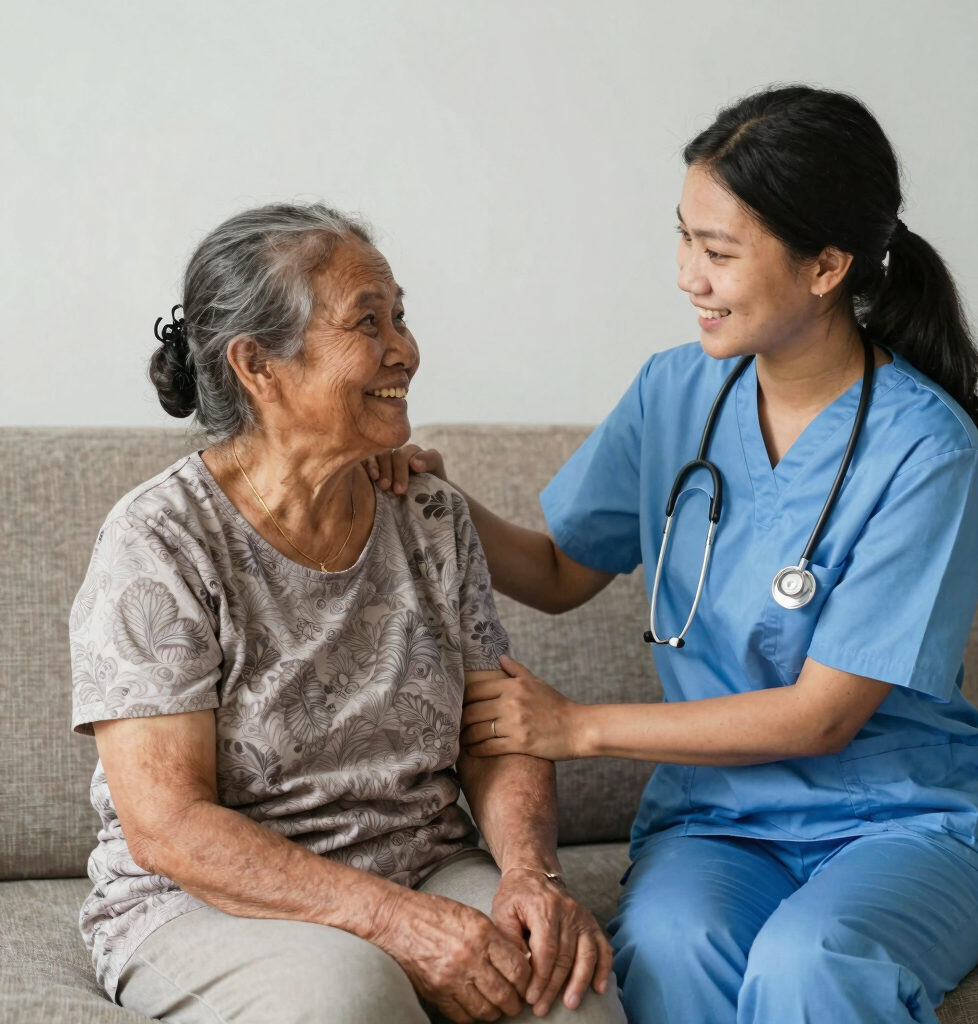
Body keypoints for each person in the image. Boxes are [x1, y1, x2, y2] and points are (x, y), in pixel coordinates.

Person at [371, 87, 978, 1024]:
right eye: (685, 238)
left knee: (812, 963)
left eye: (718, 253)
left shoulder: (926, 452)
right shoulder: (676, 393)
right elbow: (558, 571)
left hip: (902, 823)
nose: (687, 275)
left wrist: (577, 726)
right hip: (721, 823)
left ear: (827, 266)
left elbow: (823, 718)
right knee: (669, 951)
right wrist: (431, 494)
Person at [69, 203, 625, 1024]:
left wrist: (529, 876)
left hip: (422, 862)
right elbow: (170, 828)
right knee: (349, 997)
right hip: (206, 901)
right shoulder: (160, 541)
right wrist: (396, 925)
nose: (405, 349)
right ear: (259, 365)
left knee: (567, 997)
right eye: (369, 322)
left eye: (400, 316)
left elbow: (496, 729)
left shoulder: (429, 513)